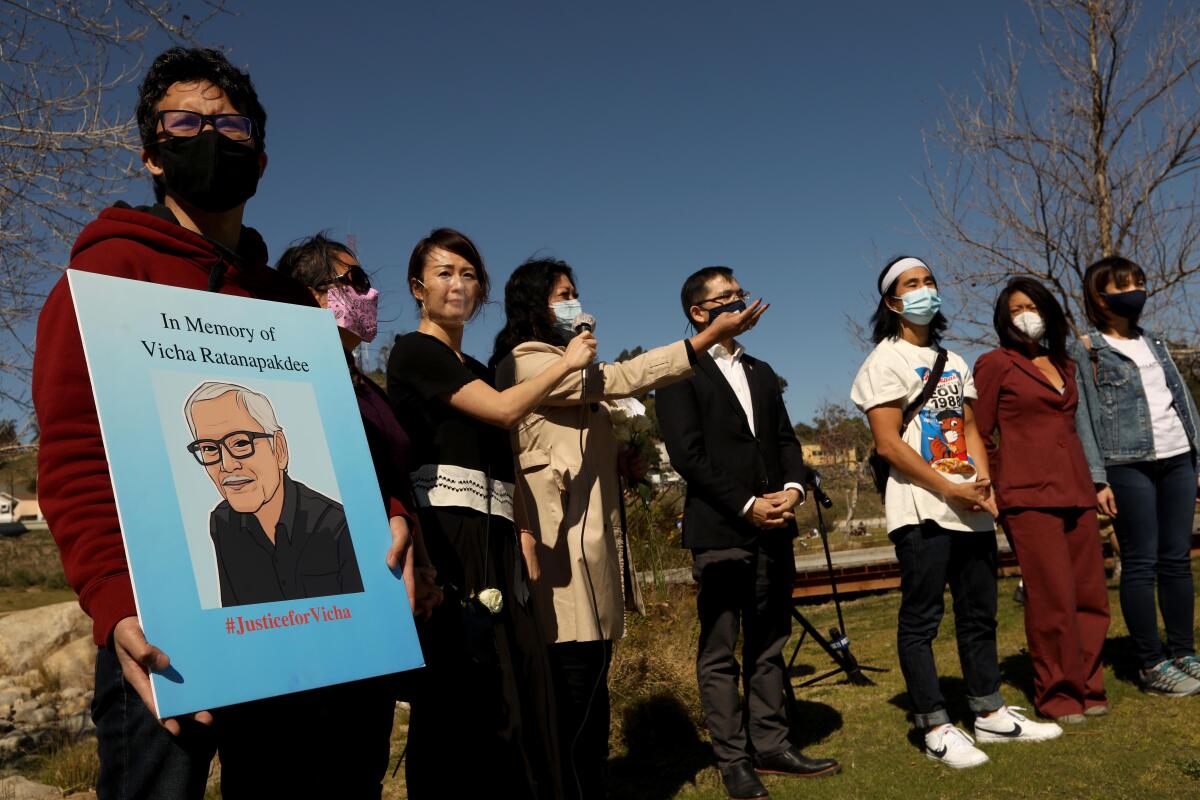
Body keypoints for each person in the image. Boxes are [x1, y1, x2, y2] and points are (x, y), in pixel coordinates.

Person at [33, 47, 405, 799]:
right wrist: (115, 606)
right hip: (162, 632)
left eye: (229, 125)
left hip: (301, 634)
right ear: (151, 156)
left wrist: (389, 514)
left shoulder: (288, 307)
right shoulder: (104, 278)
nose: (208, 135)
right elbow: (74, 458)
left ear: (261, 161)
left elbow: (343, 442)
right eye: (185, 122)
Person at [491, 257, 767, 799]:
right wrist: (708, 338)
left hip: (592, 547)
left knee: (592, 680)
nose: (574, 303)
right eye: (560, 294)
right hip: (558, 551)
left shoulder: (570, 365)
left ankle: (590, 782)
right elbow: (619, 378)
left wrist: (619, 461)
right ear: (532, 305)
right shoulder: (526, 361)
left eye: (575, 291)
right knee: (571, 684)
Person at [387, 228, 597, 799]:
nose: (458, 284)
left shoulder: (477, 364)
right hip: (446, 538)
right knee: (459, 689)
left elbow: (506, 460)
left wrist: (524, 531)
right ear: (417, 288)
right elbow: (505, 412)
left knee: (519, 682)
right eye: (445, 273)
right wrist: (569, 361)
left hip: (498, 536)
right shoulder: (413, 352)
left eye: (469, 274)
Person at [850, 256, 1062, 771]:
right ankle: (935, 724)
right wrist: (948, 488)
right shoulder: (885, 362)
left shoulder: (955, 360)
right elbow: (888, 445)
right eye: (912, 284)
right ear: (892, 301)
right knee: (922, 619)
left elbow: (969, 430)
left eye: (929, 281)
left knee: (979, 613)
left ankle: (988, 711)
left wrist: (982, 483)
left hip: (969, 506)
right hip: (922, 507)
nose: (925, 290)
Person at [656, 266, 840, 800]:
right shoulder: (678, 371)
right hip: (720, 530)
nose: (740, 302)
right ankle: (733, 760)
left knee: (769, 642)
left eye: (740, 293)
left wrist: (793, 491)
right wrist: (745, 505)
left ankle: (772, 744)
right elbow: (687, 456)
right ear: (698, 312)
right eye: (727, 297)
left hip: (775, 529)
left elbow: (785, 440)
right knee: (720, 650)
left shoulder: (760, 369)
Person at [276, 233, 441, 620]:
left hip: (396, 578)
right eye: (358, 280)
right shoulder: (286, 389)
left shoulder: (369, 392)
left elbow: (397, 484)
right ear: (312, 296)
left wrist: (423, 567)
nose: (371, 294)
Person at [972, 278, 1110, 722]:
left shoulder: (1067, 364)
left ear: (1048, 312)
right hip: (1028, 495)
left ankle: (1090, 685)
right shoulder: (995, 364)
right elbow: (980, 429)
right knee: (1051, 597)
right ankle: (1058, 694)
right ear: (1003, 318)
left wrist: (1096, 480)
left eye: (1032, 306)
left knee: (1091, 595)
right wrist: (992, 480)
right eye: (1015, 309)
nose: (1025, 315)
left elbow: (1079, 428)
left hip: (1077, 490)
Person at [1072, 255, 1200, 696]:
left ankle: (1184, 651)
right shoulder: (1087, 349)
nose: (1134, 291)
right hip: (1127, 465)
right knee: (1141, 562)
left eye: (1138, 282)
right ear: (1098, 296)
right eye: (1122, 284)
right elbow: (1083, 418)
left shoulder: (1157, 342)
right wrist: (1098, 479)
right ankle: (1151, 664)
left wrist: (1197, 461)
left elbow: (1182, 402)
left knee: (1177, 560)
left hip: (1178, 458)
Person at [184, 381, 364, 607]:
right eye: (209, 448)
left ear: (279, 449)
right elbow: (235, 616)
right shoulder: (222, 523)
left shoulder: (337, 526)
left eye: (240, 443)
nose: (227, 465)